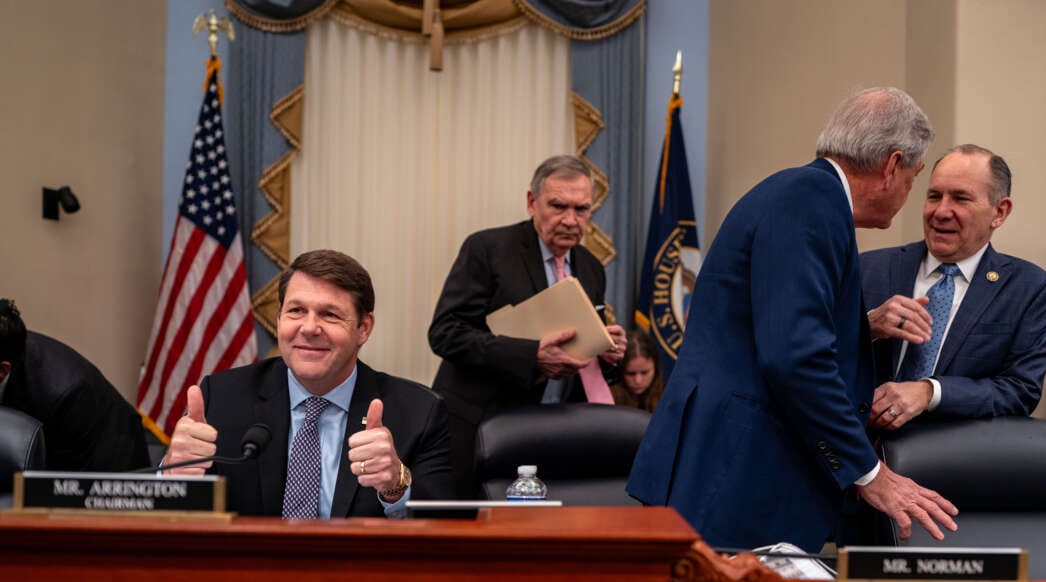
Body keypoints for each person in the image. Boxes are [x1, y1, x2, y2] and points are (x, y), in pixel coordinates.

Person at [625, 87, 958, 553]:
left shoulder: (801, 194)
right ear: (891, 166)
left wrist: (861, 326)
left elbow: (766, 325)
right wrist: (869, 472)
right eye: (915, 178)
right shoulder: (811, 203)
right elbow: (793, 358)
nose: (909, 192)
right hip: (735, 473)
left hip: (732, 467)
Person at [164, 249, 454, 517]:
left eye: (330, 315)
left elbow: (446, 531)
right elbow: (177, 520)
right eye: (296, 311)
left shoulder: (419, 414)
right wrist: (172, 476)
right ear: (278, 320)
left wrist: (395, 487)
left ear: (363, 329)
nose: (309, 328)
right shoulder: (221, 399)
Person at [428, 155, 628, 498]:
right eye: (558, 206)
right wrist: (531, 356)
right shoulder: (488, 249)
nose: (570, 220)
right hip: (480, 427)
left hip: (554, 431)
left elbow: (582, 354)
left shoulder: (592, 267)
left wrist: (608, 354)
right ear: (532, 203)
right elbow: (445, 332)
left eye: (581, 209)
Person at [861, 145, 1046, 429]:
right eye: (934, 196)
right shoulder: (869, 269)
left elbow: (1020, 390)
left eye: (960, 198)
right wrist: (867, 326)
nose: (941, 211)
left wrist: (931, 392)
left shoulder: (1030, 288)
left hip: (953, 462)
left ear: (1000, 212)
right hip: (859, 456)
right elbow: (815, 354)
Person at [0, 298, 150, 472]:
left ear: (3, 370)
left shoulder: (65, 391)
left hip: (109, 461)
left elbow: (57, 485)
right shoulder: (8, 348)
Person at [612, 328, 664, 412]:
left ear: (656, 368)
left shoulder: (668, 397)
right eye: (631, 374)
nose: (638, 381)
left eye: (644, 373)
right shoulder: (607, 399)